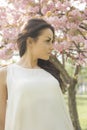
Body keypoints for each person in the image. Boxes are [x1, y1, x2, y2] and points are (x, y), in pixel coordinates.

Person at [0, 18, 74, 130]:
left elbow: (61, 114)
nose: (51, 47)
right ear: (30, 41)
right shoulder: (6, 73)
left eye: (52, 41)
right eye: (47, 41)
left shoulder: (49, 74)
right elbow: (1, 121)